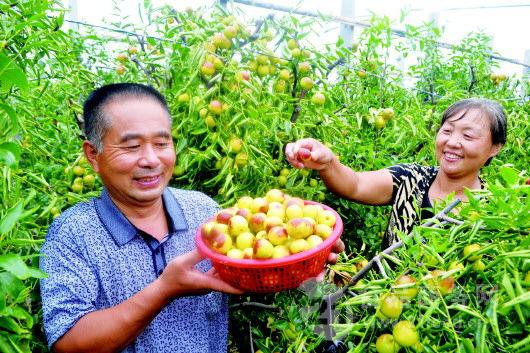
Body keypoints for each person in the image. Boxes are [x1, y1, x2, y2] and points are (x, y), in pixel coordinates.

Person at [39, 83, 244, 353]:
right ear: (93, 155)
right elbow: (69, 343)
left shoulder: (203, 212)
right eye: (132, 146)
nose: (150, 159)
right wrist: (164, 290)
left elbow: (251, 272)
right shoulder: (73, 233)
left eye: (161, 143)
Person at [285, 98, 506, 249]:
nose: (452, 142)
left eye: (468, 136)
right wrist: (327, 162)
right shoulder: (410, 179)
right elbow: (355, 185)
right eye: (447, 131)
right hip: (382, 308)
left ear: (496, 148)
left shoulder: (495, 212)